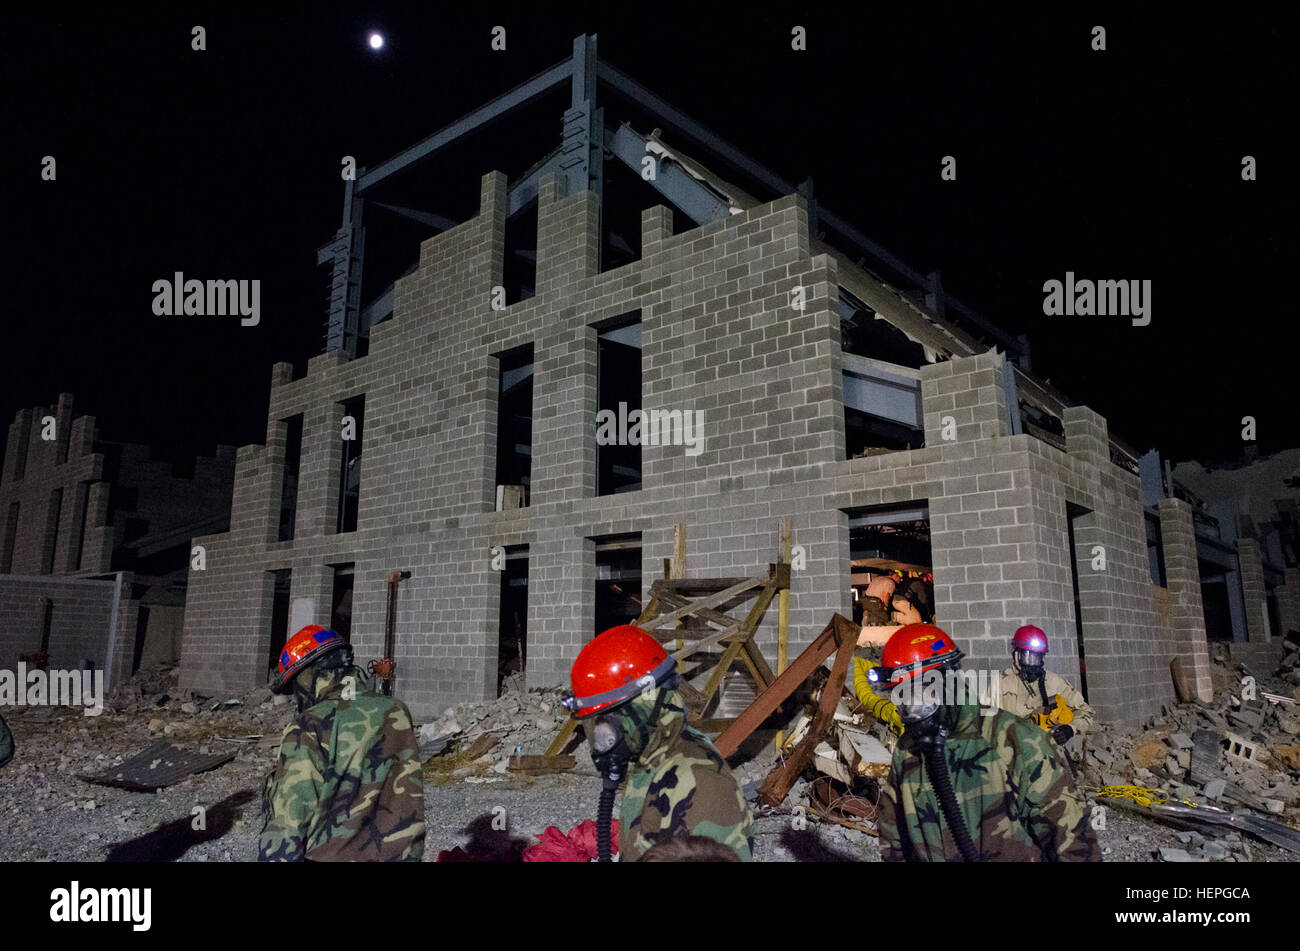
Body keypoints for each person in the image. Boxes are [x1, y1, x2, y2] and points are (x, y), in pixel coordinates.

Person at [873, 623, 1100, 862]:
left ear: (948, 683)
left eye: (915, 695)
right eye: (900, 698)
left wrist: (1069, 728)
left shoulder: (1018, 741)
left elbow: (1075, 844)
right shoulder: (907, 751)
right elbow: (893, 839)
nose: (908, 710)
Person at [562, 624, 753, 862]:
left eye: (603, 723)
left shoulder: (699, 782)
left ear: (642, 709)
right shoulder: (654, 756)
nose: (600, 741)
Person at [260, 625, 425, 862]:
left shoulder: (309, 725)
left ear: (310, 676)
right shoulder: (396, 710)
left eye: (296, 685)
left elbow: (289, 823)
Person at [995, 625, 1094, 747]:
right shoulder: (1000, 684)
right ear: (1017, 655)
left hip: (1046, 753)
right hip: (1011, 753)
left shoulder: (1053, 682)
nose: (1033, 662)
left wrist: (1070, 729)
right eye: (1028, 657)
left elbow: (1086, 712)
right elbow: (985, 723)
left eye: (1037, 657)